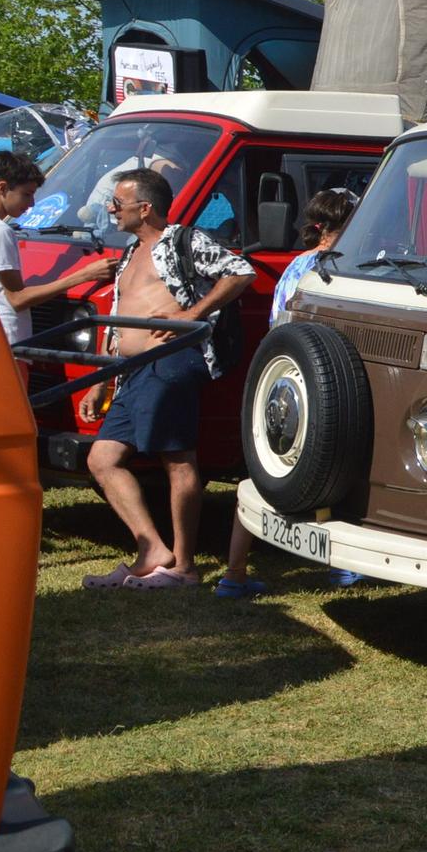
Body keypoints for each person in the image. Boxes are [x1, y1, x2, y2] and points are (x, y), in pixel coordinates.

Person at [77, 168, 254, 590]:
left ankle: (185, 567)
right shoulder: (128, 253)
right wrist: (101, 379)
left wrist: (192, 315)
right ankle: (152, 550)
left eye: (117, 203)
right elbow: (119, 319)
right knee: (101, 460)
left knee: (177, 460)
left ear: (145, 207)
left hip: (172, 362)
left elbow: (240, 271)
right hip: (132, 372)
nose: (110, 208)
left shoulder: (182, 241)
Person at [217, 187, 361, 598]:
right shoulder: (345, 268)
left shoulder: (296, 266)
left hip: (279, 376)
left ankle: (234, 572)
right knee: (336, 474)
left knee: (264, 474)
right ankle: (342, 567)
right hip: (325, 381)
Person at [0, 152, 113, 367]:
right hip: (8, 344)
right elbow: (17, 299)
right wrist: (85, 275)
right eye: (26, 194)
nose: (32, 203)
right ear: (2, 188)